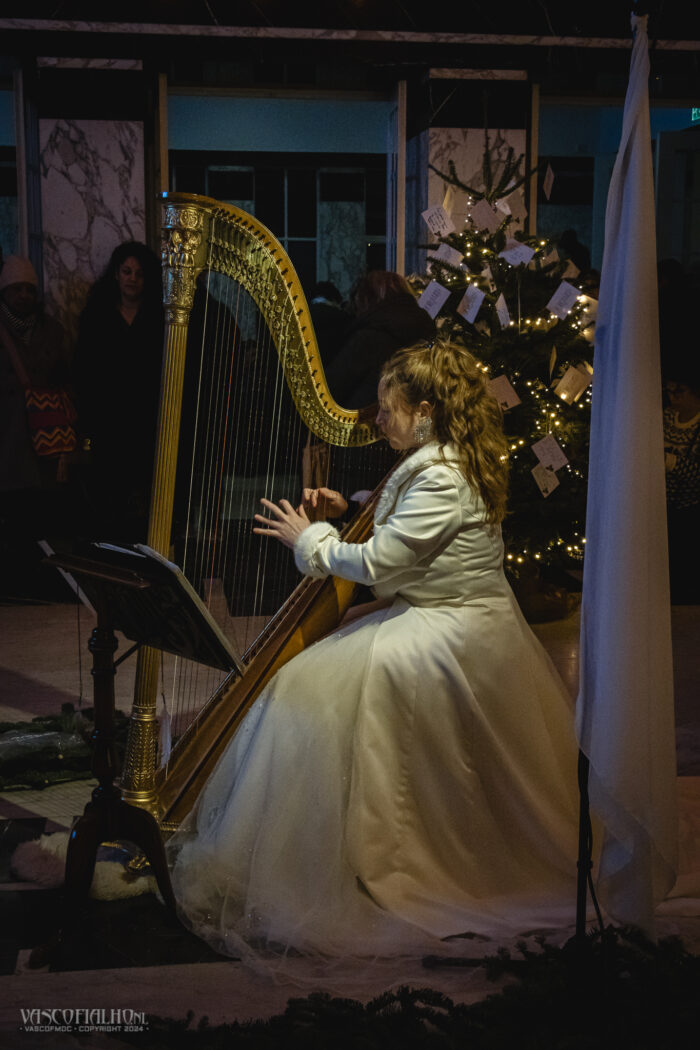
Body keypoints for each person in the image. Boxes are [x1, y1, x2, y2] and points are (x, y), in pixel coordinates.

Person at [166, 341, 582, 972]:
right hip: (442, 613)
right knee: (316, 674)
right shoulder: (439, 461)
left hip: (453, 633)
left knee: (304, 686)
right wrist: (352, 507)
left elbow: (378, 565)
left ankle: (360, 856)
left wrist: (309, 538)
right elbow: (408, 530)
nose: (378, 419)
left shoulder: (440, 476)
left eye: (389, 409)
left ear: (427, 411)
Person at [72, 241, 164, 541]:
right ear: (116, 274)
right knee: (110, 501)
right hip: (108, 423)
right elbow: (84, 371)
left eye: (139, 273)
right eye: (126, 271)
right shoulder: (97, 315)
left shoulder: (158, 317)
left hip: (147, 422)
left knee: (145, 500)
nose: (132, 278)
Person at [0, 256, 73, 594]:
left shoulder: (51, 330)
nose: (24, 295)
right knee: (15, 517)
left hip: (46, 439)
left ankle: (39, 585)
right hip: (10, 440)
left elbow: (66, 376)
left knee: (43, 517)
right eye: (17, 289)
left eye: (29, 289)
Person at [324, 270, 436, 410]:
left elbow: (330, 389)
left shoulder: (369, 338)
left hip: (366, 420)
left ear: (365, 299)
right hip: (410, 418)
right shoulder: (425, 330)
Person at [662, 356, 700, 604]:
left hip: (689, 510)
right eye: (669, 390)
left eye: (680, 391)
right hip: (663, 505)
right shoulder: (667, 416)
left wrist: (668, 460)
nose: (673, 397)